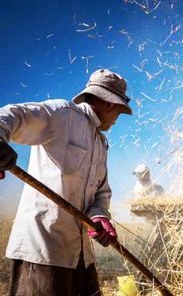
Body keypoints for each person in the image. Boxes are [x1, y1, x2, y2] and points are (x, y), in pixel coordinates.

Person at [0, 69, 133, 295]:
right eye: (118, 112)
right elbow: (15, 114)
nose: (116, 120)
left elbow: (101, 194)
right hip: (43, 253)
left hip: (81, 257)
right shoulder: (62, 115)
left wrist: (99, 215)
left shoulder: (101, 144)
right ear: (109, 104)